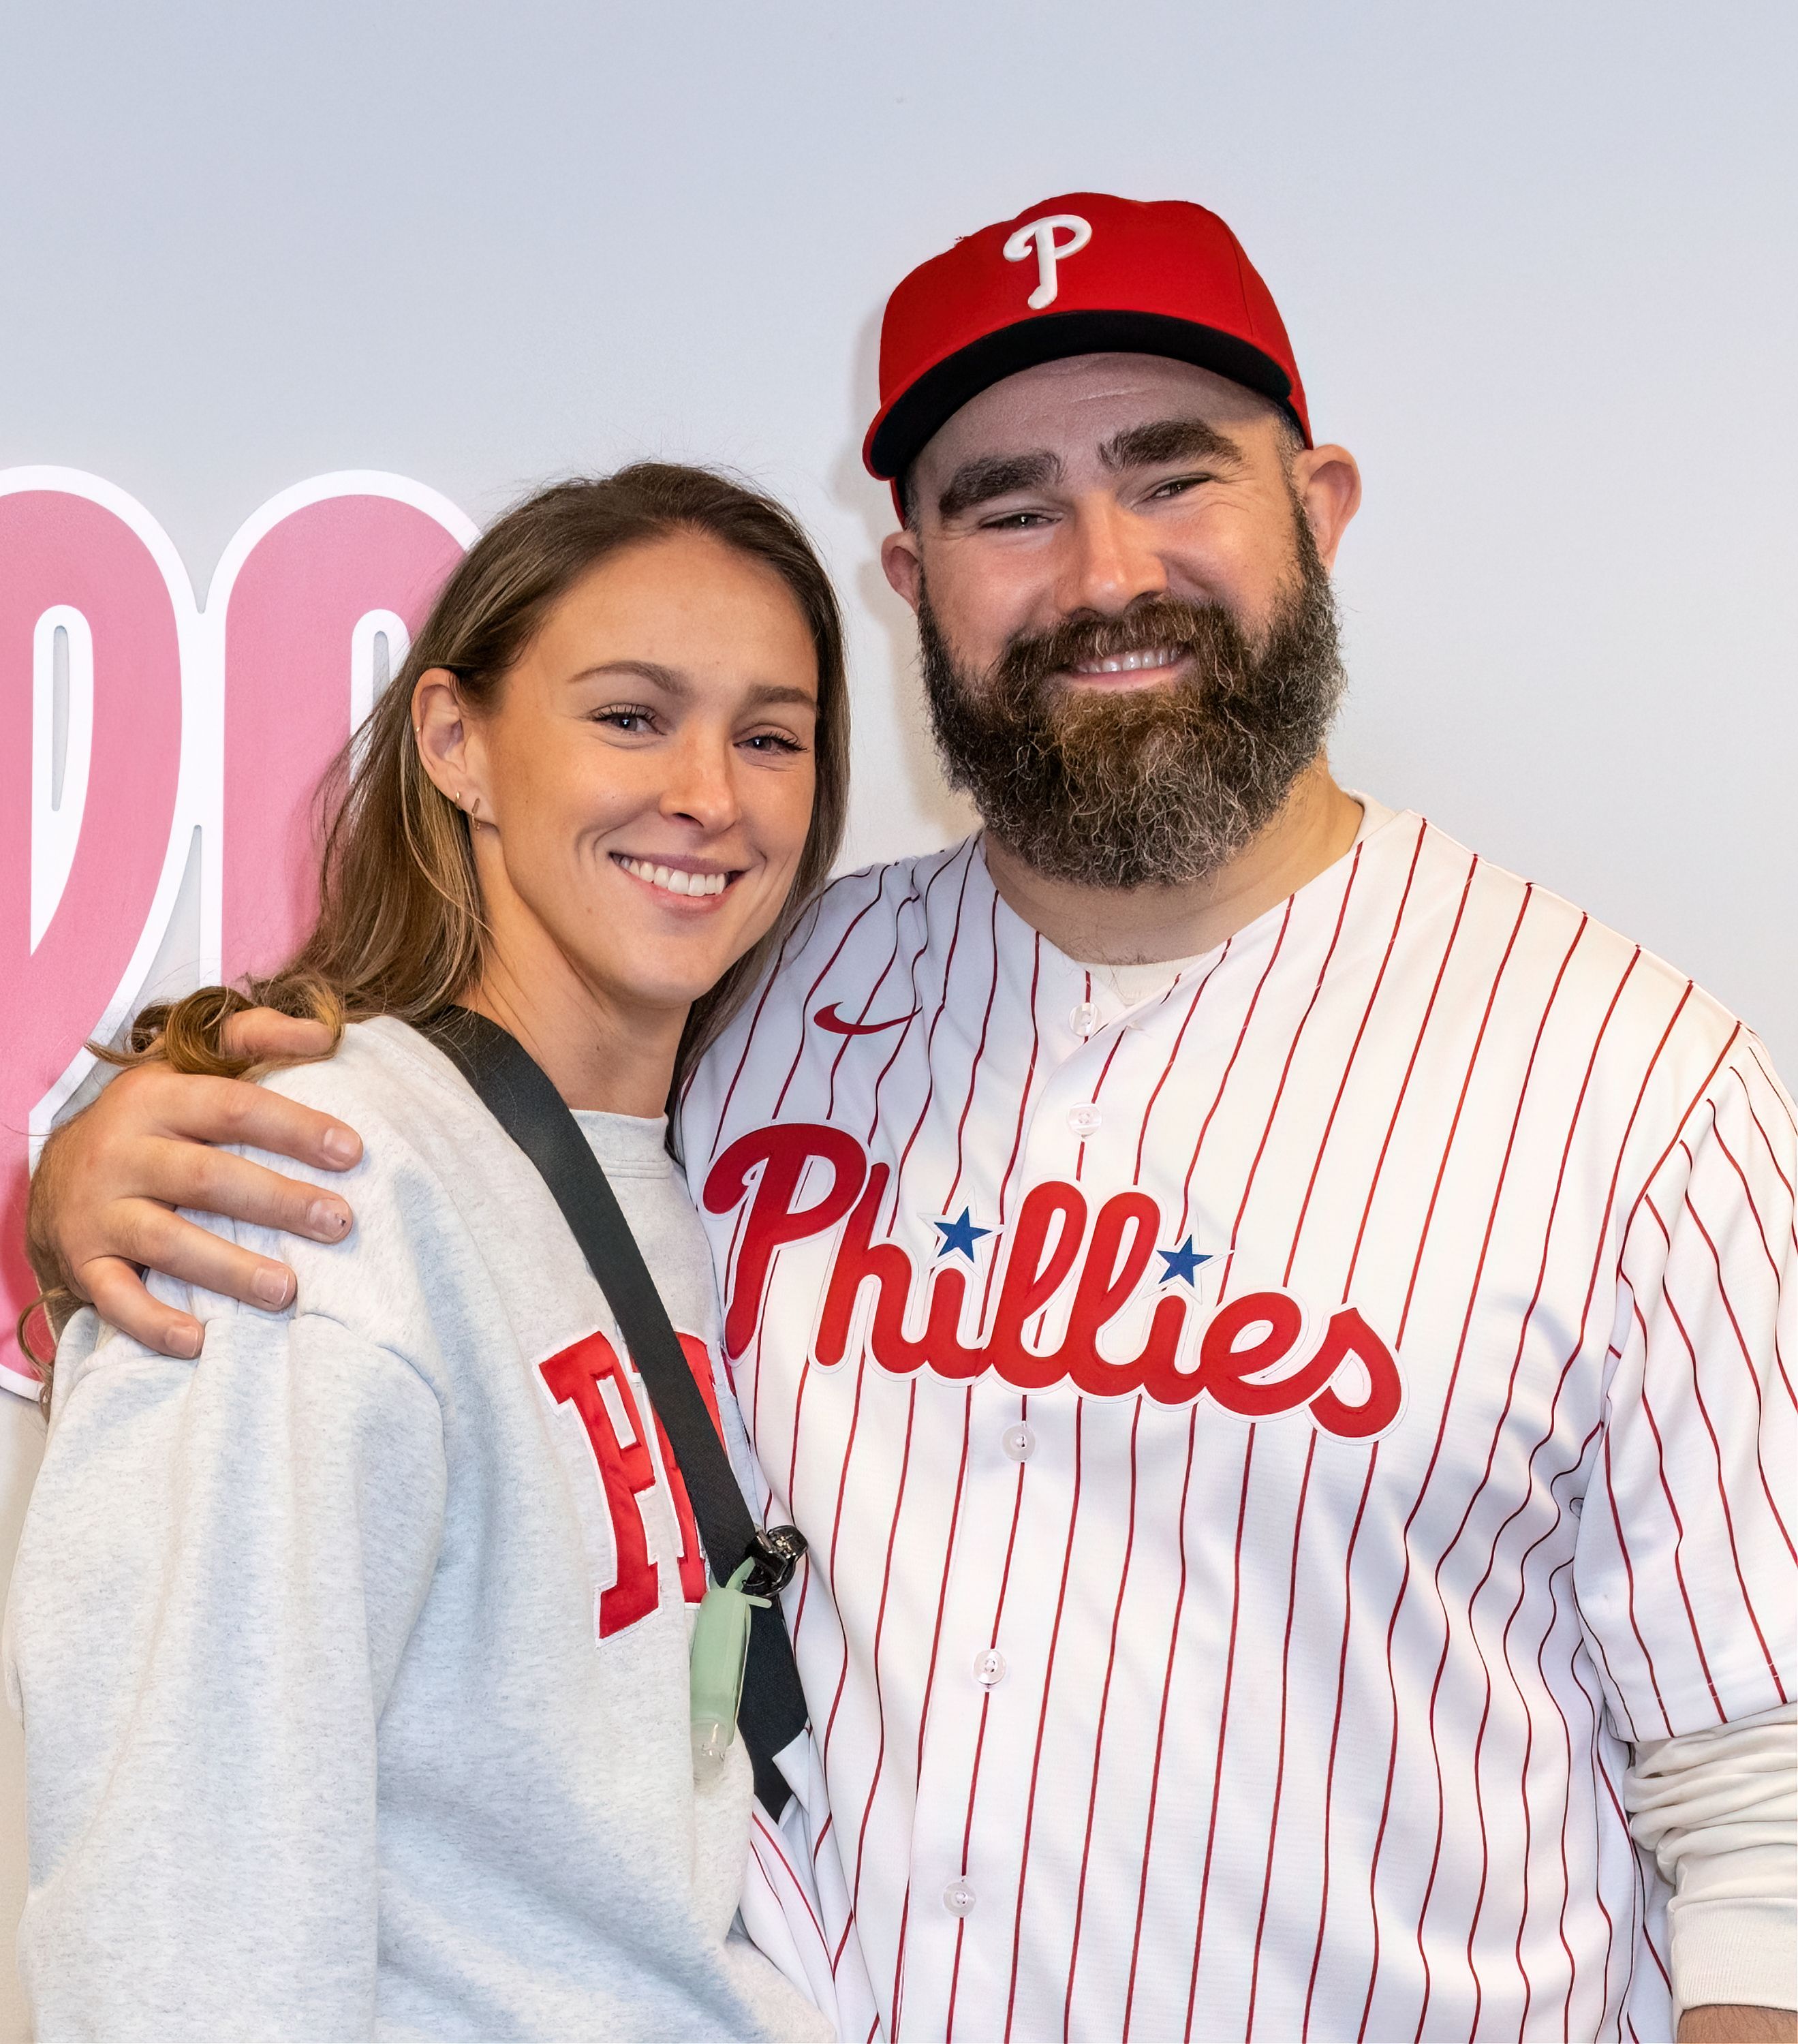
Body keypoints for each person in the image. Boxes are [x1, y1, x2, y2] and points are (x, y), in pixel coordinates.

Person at [25, 195, 1795, 2044]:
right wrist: (89, 1178)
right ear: (916, 576)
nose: (1106, 569)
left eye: (1174, 477)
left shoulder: (1638, 1095)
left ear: (1321, 506)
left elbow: (1768, 1818)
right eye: (1011, 506)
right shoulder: (747, 1020)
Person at [5, 464, 873, 2040]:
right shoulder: (308, 1184)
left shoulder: (684, 1186)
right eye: (629, 715)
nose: (709, 793)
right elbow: (186, 1918)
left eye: (770, 735)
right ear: (456, 743)